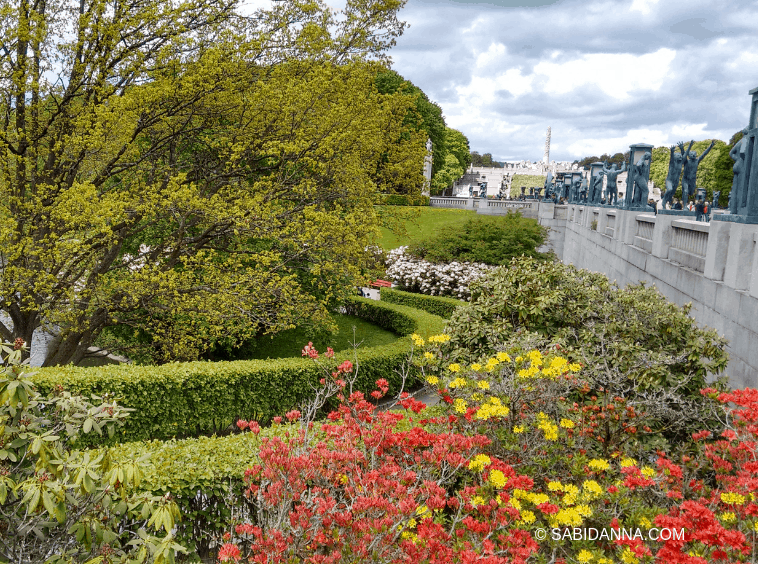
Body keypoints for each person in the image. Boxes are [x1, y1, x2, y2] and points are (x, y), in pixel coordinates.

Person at [681, 139, 716, 205]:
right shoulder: (686, 161)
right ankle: (685, 206)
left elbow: (704, 154)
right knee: (685, 191)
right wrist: (688, 146)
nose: (693, 155)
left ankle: (685, 199)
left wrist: (711, 146)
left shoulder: (697, 161)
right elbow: (684, 154)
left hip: (693, 180)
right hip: (685, 179)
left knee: (691, 193)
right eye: (691, 154)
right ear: (689, 155)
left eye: (694, 154)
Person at [661, 143, 685, 211]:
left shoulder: (680, 163)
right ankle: (663, 202)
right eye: (678, 155)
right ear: (675, 157)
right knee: (669, 189)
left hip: (676, 181)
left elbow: (684, 156)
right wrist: (672, 152)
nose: (680, 156)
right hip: (669, 180)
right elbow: (671, 158)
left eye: (680, 156)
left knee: (671, 193)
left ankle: (668, 202)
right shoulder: (672, 163)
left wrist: (682, 149)